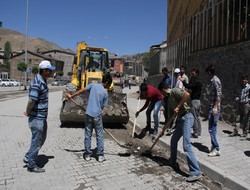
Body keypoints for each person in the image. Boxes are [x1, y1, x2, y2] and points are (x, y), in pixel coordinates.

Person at [159, 85, 202, 182]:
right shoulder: (168, 101)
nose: (161, 95)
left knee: (186, 145)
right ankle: (172, 161)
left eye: (161, 92)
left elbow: (187, 95)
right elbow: (170, 118)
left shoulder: (174, 91)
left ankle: (196, 172)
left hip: (187, 117)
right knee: (173, 140)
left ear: (163, 90)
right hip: (180, 120)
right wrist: (163, 130)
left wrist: (178, 106)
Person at [66, 74, 112, 162]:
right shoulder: (105, 93)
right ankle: (100, 156)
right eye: (109, 85)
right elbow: (102, 107)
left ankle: (87, 154)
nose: (109, 87)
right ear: (106, 82)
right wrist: (98, 111)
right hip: (97, 115)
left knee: (88, 134)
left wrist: (72, 96)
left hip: (88, 114)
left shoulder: (93, 85)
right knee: (99, 135)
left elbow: (81, 91)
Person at [23, 60, 55, 173]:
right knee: (36, 142)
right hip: (37, 117)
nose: (51, 72)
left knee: (40, 139)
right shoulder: (37, 83)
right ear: (44, 71)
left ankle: (28, 157)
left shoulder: (43, 80)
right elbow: (32, 100)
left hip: (41, 117)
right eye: (49, 70)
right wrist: (27, 111)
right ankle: (31, 165)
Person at [205, 64, 222, 157]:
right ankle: (213, 146)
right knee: (211, 128)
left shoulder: (215, 81)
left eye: (207, 73)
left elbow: (218, 95)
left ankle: (216, 148)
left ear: (209, 72)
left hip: (214, 107)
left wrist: (215, 107)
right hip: (212, 105)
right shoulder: (212, 80)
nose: (206, 75)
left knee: (212, 128)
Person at [181, 69, 203, 138]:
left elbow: (189, 86)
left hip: (195, 102)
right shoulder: (196, 81)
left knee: (195, 118)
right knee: (197, 117)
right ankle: (198, 132)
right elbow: (190, 85)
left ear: (197, 74)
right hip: (196, 101)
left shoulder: (197, 82)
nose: (192, 75)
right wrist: (190, 79)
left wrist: (183, 81)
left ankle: (196, 133)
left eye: (193, 74)